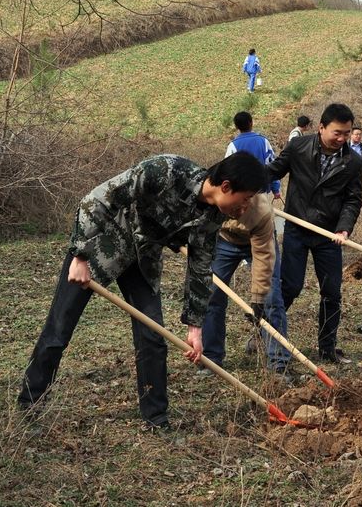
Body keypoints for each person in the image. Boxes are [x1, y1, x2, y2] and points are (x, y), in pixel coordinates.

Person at [18, 153, 267, 430]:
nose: (245, 208)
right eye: (245, 199)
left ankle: (156, 418)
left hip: (142, 260)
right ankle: (30, 406)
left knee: (153, 337)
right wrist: (80, 255)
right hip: (101, 247)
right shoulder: (166, 171)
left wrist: (195, 327)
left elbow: (200, 267)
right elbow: (96, 199)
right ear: (226, 186)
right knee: (59, 329)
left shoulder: (212, 216)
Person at [267, 104, 362, 364]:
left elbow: (353, 200)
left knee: (331, 292)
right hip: (297, 228)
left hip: (328, 234)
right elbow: (273, 171)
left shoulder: (353, 161)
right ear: (321, 128)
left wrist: (344, 227)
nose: (342, 138)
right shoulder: (299, 148)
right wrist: (245, 181)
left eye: (346, 133)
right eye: (337, 132)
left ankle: (327, 347)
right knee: (291, 286)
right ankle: (264, 331)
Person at [201, 192, 291, 380]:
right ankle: (211, 359)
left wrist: (257, 299)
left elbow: (263, 259)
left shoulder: (261, 211)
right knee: (211, 294)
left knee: (271, 298)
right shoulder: (212, 194)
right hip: (224, 239)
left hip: (258, 238)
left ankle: (278, 363)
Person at [227, 111, 281, 199]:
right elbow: (272, 165)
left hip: (242, 195)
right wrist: (275, 189)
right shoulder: (263, 141)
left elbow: (228, 171)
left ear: (236, 126)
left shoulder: (232, 146)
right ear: (251, 123)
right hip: (262, 192)